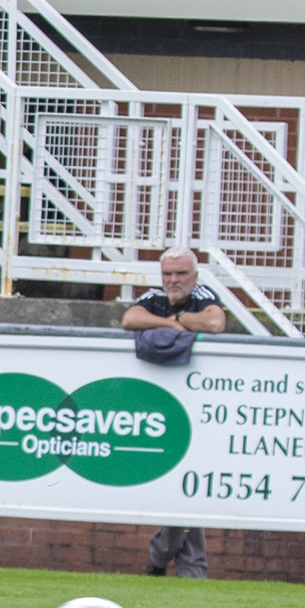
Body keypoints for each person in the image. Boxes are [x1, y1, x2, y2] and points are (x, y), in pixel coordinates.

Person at [123, 246, 224, 579]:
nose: (173, 280)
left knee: (185, 494)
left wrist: (177, 321)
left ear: (195, 276)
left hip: (199, 413)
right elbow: (130, 319)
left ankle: (159, 560)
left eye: (181, 274)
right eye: (168, 273)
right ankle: (188, 570)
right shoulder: (154, 296)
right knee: (181, 496)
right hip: (160, 411)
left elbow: (215, 322)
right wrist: (173, 323)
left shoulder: (204, 295)